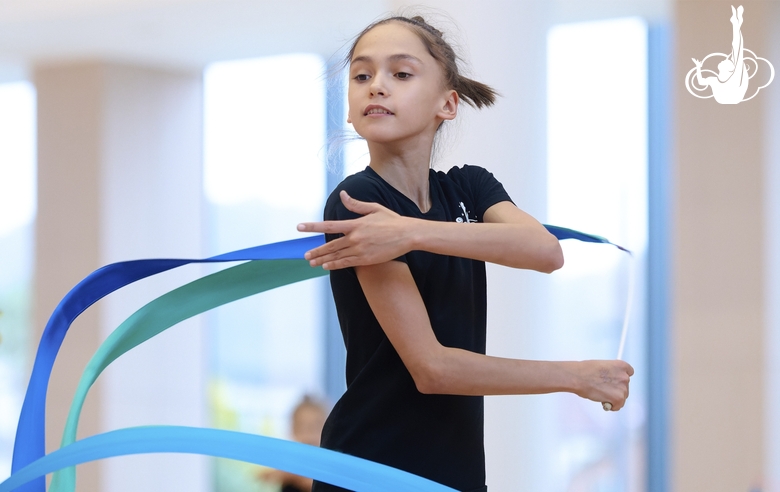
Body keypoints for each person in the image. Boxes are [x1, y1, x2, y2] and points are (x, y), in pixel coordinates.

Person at [296, 14, 634, 492]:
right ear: (349, 108)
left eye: (401, 73)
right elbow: (432, 369)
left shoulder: (470, 187)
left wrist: (412, 233)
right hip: (369, 469)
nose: (377, 87)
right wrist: (576, 376)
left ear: (448, 103)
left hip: (455, 472)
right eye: (362, 75)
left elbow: (543, 251)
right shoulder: (356, 204)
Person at [259, 396, 328, 492]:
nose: (309, 434)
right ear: (293, 430)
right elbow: (265, 476)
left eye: (315, 427)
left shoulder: (328, 461)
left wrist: (294, 476)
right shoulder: (290, 460)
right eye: (302, 427)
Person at [692, 5, 749, 104]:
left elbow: (738, 49)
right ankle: (736, 23)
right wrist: (698, 67)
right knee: (736, 51)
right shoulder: (714, 80)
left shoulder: (734, 78)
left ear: (729, 69)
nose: (725, 59)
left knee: (737, 50)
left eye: (728, 61)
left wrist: (736, 26)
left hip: (733, 96)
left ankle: (736, 23)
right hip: (729, 98)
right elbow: (701, 82)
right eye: (728, 60)